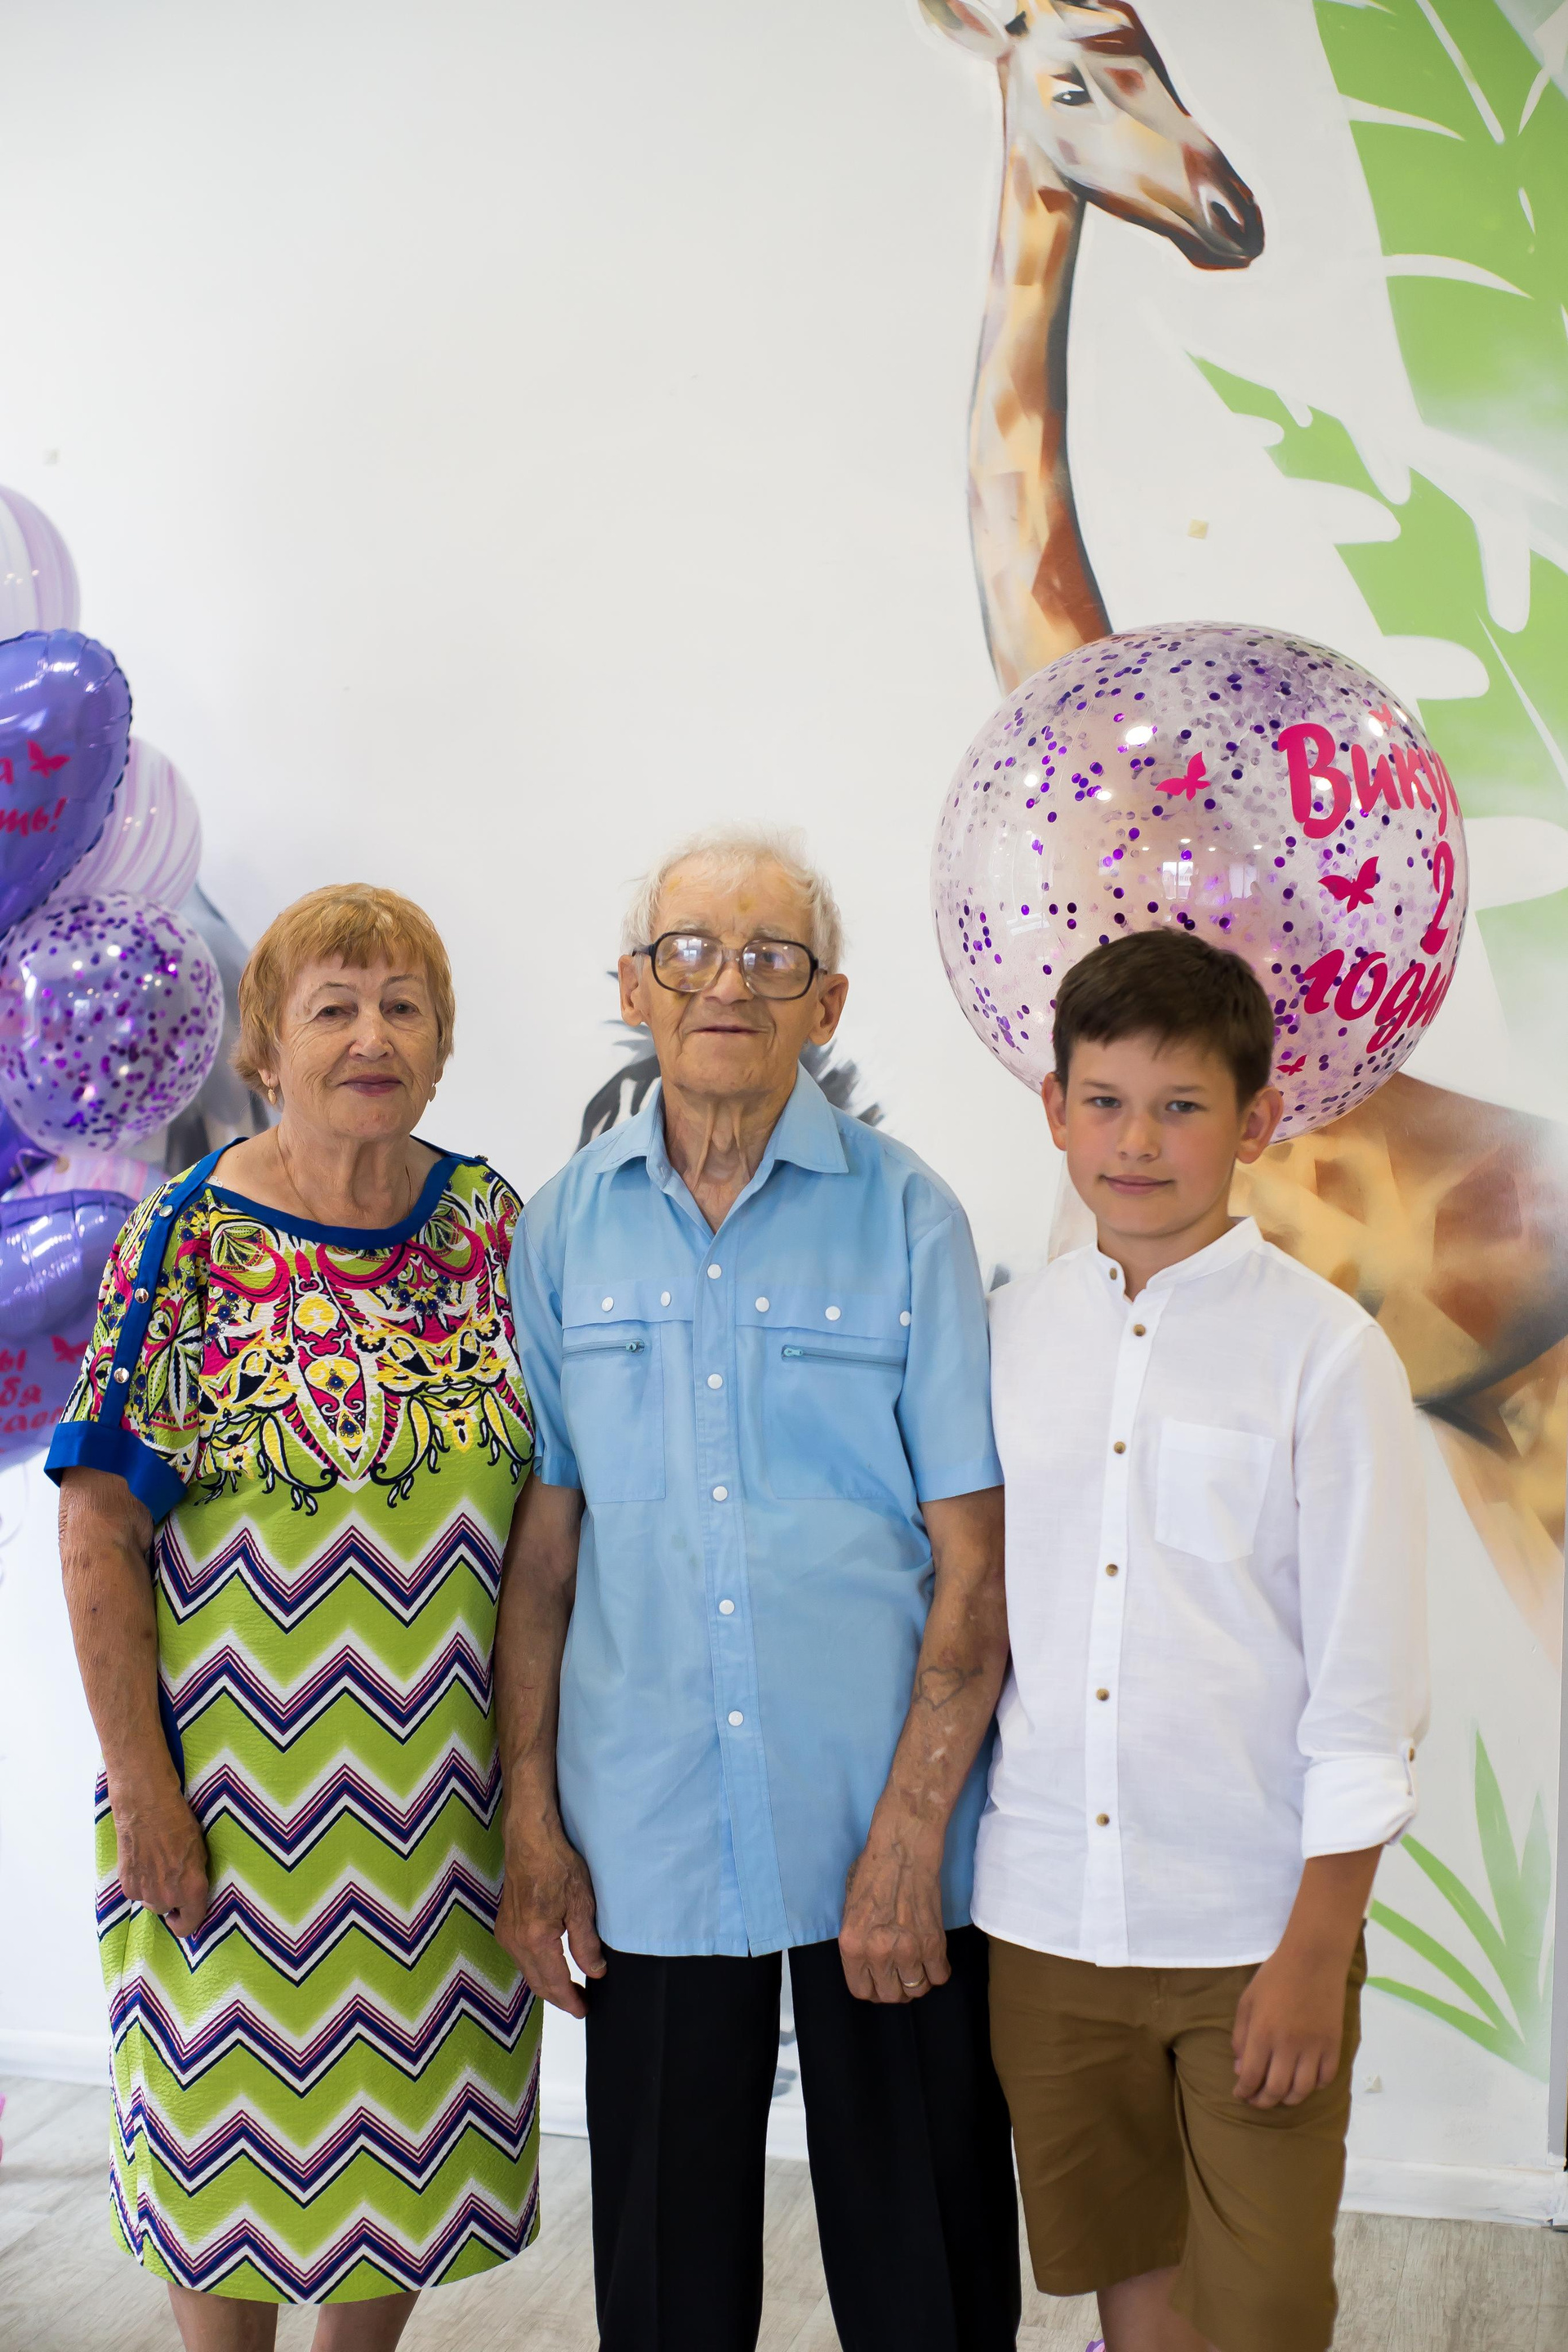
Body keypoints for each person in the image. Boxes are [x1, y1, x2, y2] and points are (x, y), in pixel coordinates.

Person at [498, 826, 1021, 2352]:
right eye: (691, 951)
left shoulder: (910, 1218)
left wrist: (912, 1832)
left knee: (926, 2279)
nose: (728, 982)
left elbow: (975, 1566)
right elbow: (544, 1562)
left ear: (826, 1004)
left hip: (880, 1825)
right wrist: (531, 1821)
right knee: (666, 2290)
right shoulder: (561, 1229)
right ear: (634, 988)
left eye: (772, 957)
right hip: (648, 1829)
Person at [49, 885, 539, 2351]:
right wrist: (145, 1794)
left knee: (401, 2160)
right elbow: (98, 1527)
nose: (372, 1036)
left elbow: (554, 1514)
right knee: (227, 2170)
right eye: (334, 1008)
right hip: (230, 1810)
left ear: (442, 1045)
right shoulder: (186, 1243)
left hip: (443, 1808)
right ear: (266, 1048)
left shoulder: (492, 1228)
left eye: (403, 1006)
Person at [978, 928, 1428, 2352]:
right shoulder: (1002, 1340)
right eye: (1105, 1101)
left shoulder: (1326, 1356)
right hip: (1047, 1920)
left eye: (1180, 1107)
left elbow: (1367, 1692)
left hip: (1252, 1927)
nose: (1136, 1142)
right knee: (1132, 2286)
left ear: (1257, 1119)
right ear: (1055, 1109)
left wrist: (1316, 1951)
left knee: (1267, 2310)